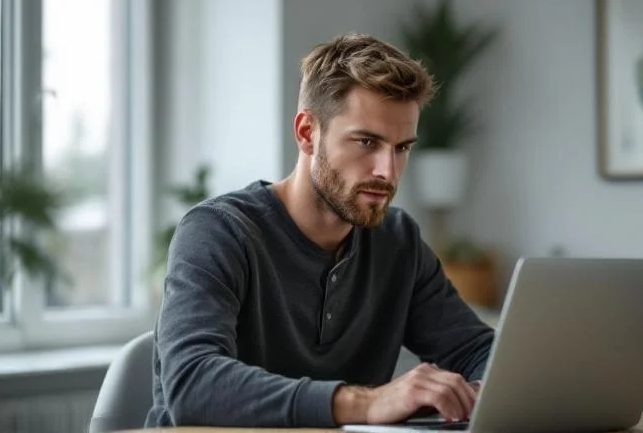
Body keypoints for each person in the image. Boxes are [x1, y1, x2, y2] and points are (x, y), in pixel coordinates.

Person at [145, 33, 494, 429]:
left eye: (401, 148)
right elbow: (192, 385)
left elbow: (478, 350)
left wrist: (483, 393)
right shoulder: (219, 232)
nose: (388, 171)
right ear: (307, 132)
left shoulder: (398, 243)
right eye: (367, 141)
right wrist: (367, 404)